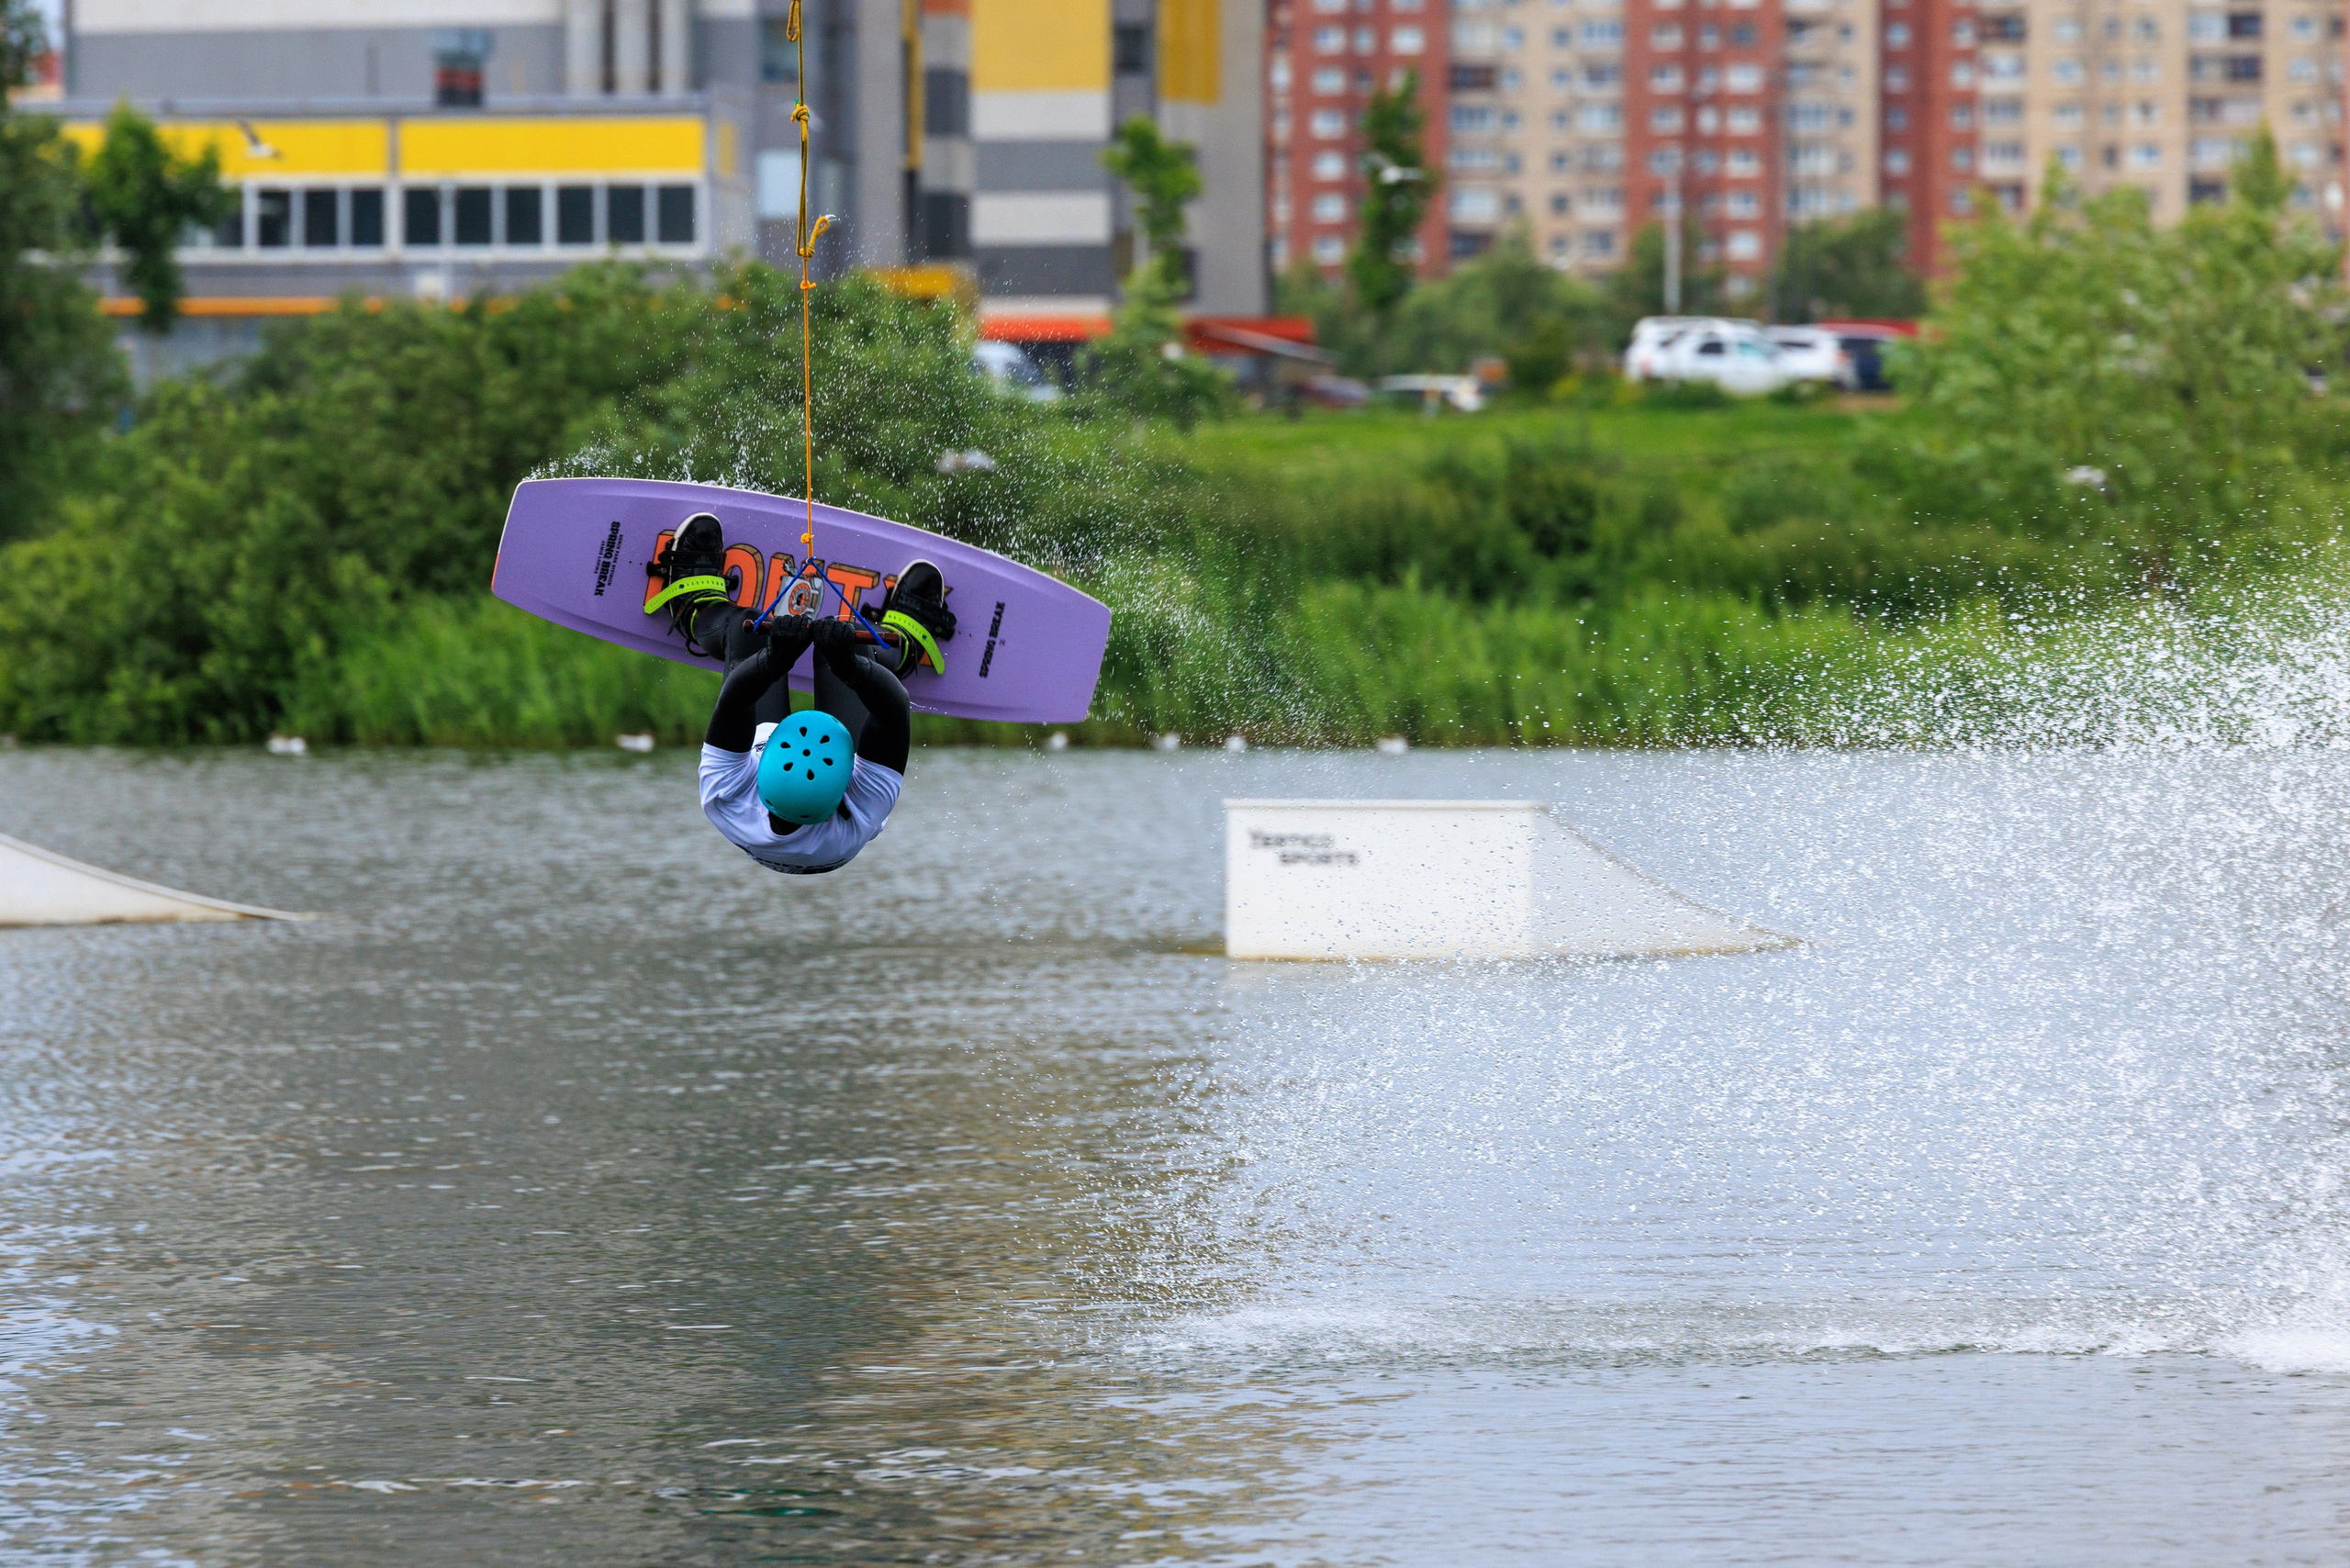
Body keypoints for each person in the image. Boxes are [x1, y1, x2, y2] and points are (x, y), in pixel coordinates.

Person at [645, 512, 956, 875]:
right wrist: (853, 669)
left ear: (759, 772)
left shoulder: (727, 796)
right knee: (847, 640)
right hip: (837, 834)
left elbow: (735, 700)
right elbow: (893, 711)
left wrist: (774, 658)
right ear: (845, 788)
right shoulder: (862, 811)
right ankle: (895, 652)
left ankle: (693, 610)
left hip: (758, 805)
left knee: (751, 631)